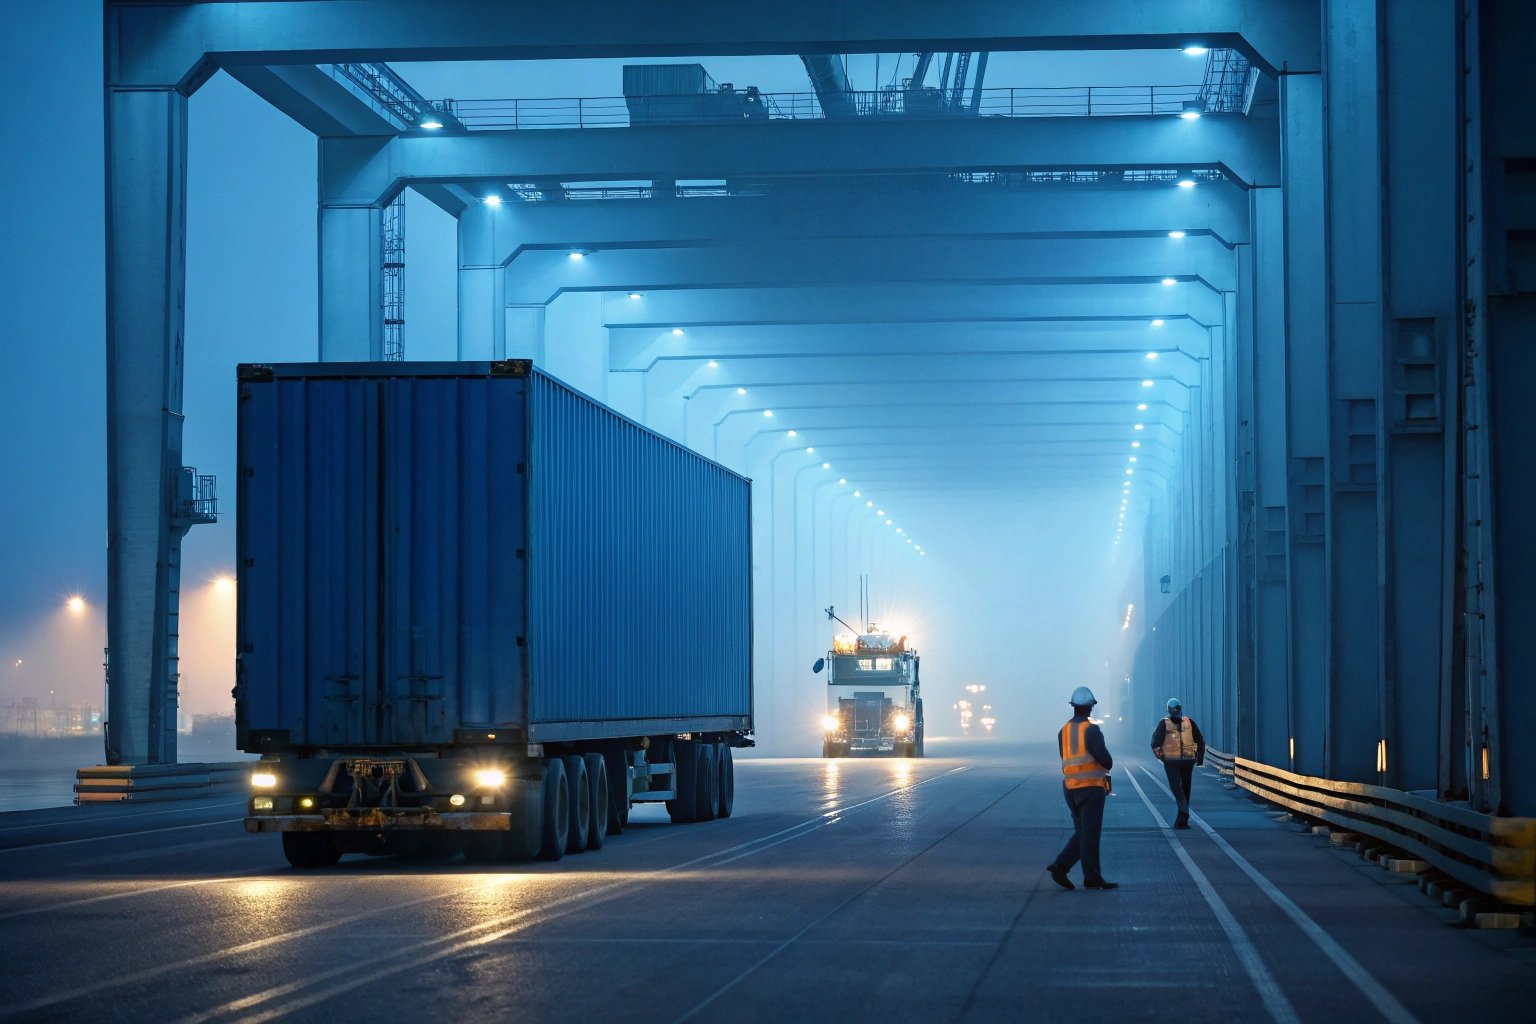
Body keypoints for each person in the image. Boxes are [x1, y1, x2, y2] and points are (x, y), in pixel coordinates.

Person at [1046, 686, 1117, 890]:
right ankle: (1091, 878)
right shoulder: (1092, 730)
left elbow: (1064, 757)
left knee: (1083, 832)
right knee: (1090, 834)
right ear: (1090, 708)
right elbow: (1106, 761)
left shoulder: (1063, 731)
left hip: (1070, 788)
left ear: (1073, 707)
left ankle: (1061, 866)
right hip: (1092, 788)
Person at [1150, 697, 1206, 829]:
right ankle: (1183, 817)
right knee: (1183, 789)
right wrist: (1199, 758)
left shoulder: (1169, 723)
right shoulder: (1185, 722)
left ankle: (1183, 818)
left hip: (1177, 761)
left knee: (1179, 788)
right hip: (1183, 761)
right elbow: (1200, 740)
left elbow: (1154, 743)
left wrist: (1161, 757)